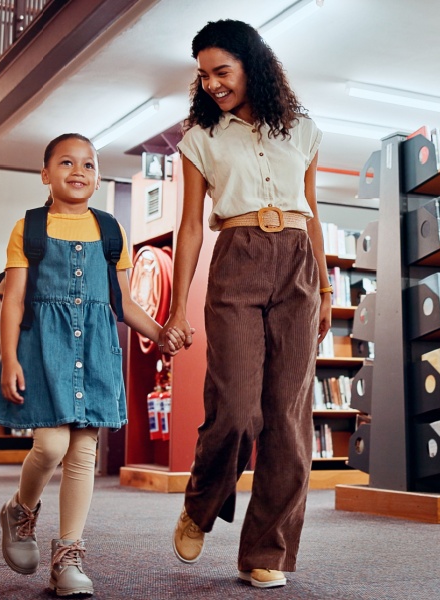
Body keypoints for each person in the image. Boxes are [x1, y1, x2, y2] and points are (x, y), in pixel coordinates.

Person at [161, 19, 332, 590]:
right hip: (236, 259)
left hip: (297, 268)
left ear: (251, 65)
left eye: (221, 71)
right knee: (235, 408)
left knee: (287, 419)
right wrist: (176, 309)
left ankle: (267, 550)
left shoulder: (303, 130)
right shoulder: (199, 139)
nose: (210, 83)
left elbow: (311, 213)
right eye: (203, 75)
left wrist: (326, 290)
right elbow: (189, 229)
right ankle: (200, 503)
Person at [0, 133, 181, 597]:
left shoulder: (112, 231)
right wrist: (9, 357)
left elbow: (124, 303)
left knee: (83, 453)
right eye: (66, 163)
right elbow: (12, 301)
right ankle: (20, 510)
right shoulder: (28, 228)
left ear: (96, 177)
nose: (78, 171)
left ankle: (68, 556)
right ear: (45, 174)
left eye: (89, 165)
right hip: (43, 351)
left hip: (94, 351)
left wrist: (161, 334)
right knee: (51, 447)